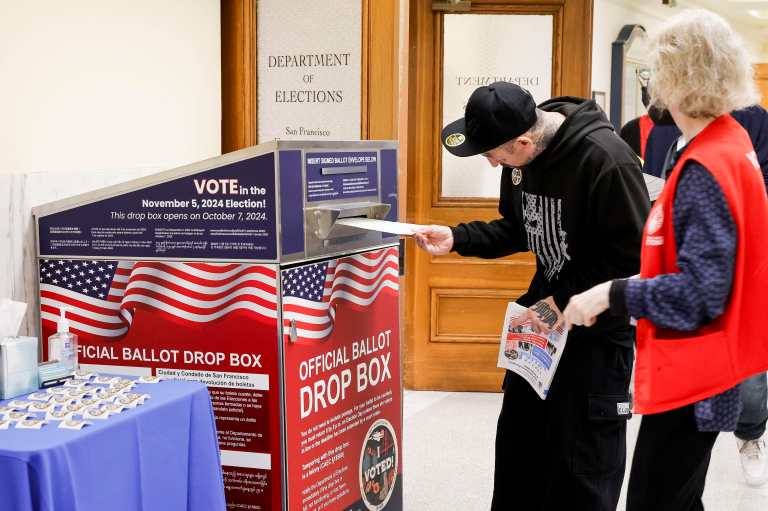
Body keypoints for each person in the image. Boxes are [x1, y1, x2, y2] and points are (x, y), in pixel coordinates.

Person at [562, 9, 768, 510]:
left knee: (657, 500)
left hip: (700, 374)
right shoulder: (729, 142)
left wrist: (609, 293)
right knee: (679, 496)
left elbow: (700, 293)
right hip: (717, 369)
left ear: (675, 78)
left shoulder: (705, 166)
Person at [413, 81, 649, 510]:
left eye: (495, 155)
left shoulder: (606, 161)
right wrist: (456, 237)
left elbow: (632, 259)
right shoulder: (521, 159)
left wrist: (562, 301)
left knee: (582, 469)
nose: (492, 163)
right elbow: (518, 227)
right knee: (520, 456)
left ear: (524, 141)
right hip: (540, 329)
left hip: (595, 334)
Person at [643, 102, 768, 487]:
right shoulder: (663, 123)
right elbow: (653, 181)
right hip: (675, 274)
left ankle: (749, 433)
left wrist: (611, 295)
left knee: (744, 375)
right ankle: (696, 459)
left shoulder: (748, 122)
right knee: (681, 450)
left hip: (729, 265)